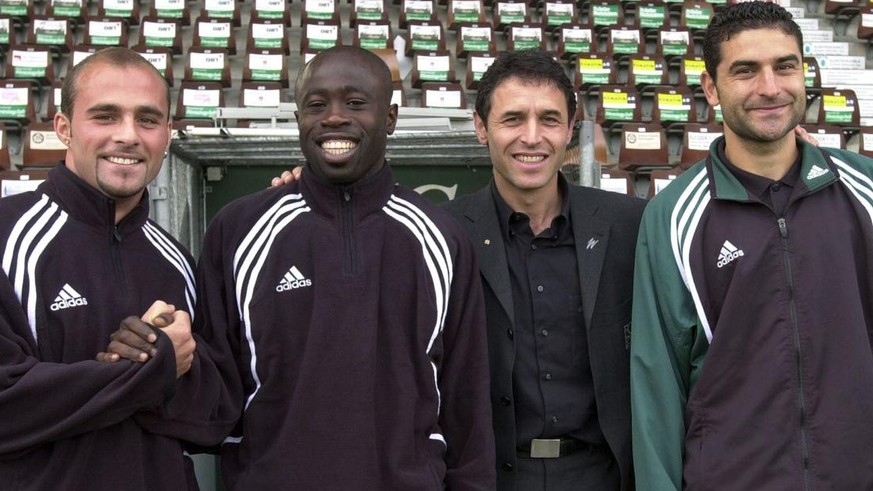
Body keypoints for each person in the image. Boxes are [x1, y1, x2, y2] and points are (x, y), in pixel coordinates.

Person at [200, 45, 495, 489]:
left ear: (391, 118)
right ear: (298, 117)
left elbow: (466, 402)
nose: (334, 118)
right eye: (316, 105)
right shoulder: (238, 230)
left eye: (356, 103)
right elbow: (214, 393)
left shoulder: (441, 238)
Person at [630, 2, 873, 490]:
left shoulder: (864, 190)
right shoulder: (674, 216)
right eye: (745, 71)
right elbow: (658, 388)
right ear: (710, 88)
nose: (770, 87)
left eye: (785, 66)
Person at [0, 47, 240, 489]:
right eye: (105, 116)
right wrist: (153, 369)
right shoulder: (6, 237)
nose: (128, 135)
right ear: (64, 128)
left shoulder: (178, 261)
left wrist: (177, 367)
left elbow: (215, 421)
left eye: (148, 120)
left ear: (167, 135)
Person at [443, 50, 645, 491]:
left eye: (549, 119)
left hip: (606, 476)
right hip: (491, 477)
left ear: (570, 130)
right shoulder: (443, 233)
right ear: (482, 129)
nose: (532, 137)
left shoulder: (633, 225)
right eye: (513, 119)